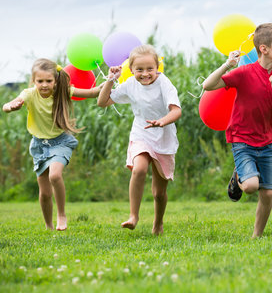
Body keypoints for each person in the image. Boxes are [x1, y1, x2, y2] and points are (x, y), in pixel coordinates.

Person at [203, 23, 272, 238]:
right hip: (242, 139)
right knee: (251, 187)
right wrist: (227, 65)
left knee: (268, 193)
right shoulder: (244, 73)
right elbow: (208, 86)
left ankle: (257, 236)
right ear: (264, 49)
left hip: (266, 142)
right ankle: (240, 175)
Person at [2, 58, 102, 231]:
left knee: (55, 176)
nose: (44, 85)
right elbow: (7, 105)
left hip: (60, 141)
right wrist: (11, 106)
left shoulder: (64, 91)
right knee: (45, 192)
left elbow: (92, 93)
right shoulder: (29, 94)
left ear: (55, 80)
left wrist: (110, 81)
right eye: (40, 81)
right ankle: (48, 225)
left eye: (49, 81)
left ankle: (61, 215)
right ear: (34, 81)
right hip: (39, 145)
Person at [97, 45, 181, 235]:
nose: (145, 74)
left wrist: (162, 121)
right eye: (139, 70)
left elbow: (176, 111)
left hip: (164, 135)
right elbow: (102, 102)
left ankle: (158, 224)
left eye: (150, 69)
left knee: (159, 193)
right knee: (140, 168)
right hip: (141, 133)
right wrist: (111, 80)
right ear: (131, 70)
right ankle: (133, 216)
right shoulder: (130, 85)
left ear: (157, 67)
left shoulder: (164, 83)